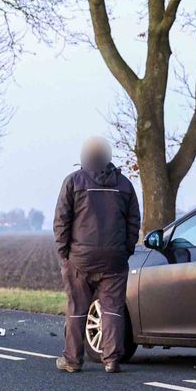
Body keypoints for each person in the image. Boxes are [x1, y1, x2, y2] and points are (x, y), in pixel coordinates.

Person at [53, 136, 141, 373]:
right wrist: (126, 249)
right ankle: (111, 359)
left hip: (80, 258)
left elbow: (61, 221)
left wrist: (64, 254)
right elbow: (134, 221)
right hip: (115, 259)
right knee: (112, 309)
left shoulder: (73, 182)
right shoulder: (124, 185)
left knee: (76, 309)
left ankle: (72, 360)